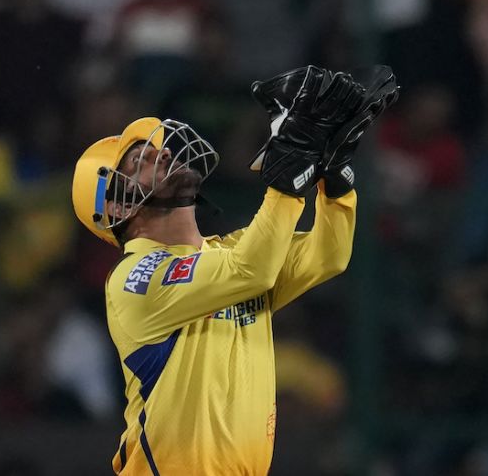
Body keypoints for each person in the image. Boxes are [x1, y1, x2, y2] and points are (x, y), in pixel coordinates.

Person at [71, 66, 396, 475]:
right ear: (116, 206)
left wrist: (333, 175)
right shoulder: (134, 277)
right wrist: (290, 169)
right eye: (139, 160)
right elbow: (253, 271)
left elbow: (328, 254)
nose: (164, 151)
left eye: (156, 148)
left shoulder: (228, 251)